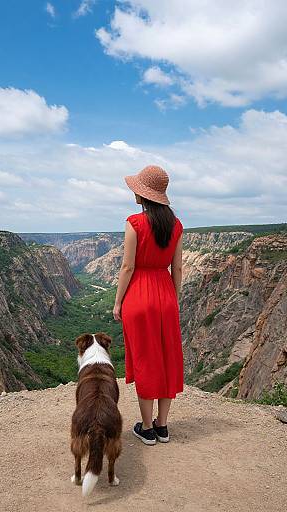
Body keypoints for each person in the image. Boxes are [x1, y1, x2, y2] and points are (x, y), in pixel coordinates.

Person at [113, 165, 184, 445]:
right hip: (165, 294)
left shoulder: (135, 223)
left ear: (143, 195)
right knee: (167, 359)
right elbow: (177, 268)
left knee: (145, 358)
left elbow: (128, 266)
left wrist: (118, 302)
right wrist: (173, 298)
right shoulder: (176, 226)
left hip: (139, 297)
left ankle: (147, 428)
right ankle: (163, 426)